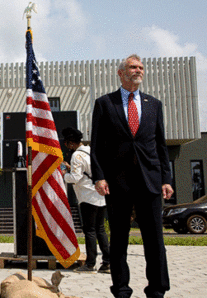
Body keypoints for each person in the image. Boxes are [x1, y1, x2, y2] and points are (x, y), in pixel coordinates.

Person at [90, 54, 174, 298]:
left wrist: (166, 179)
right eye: (132, 67)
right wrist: (99, 176)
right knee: (118, 239)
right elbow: (97, 146)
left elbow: (161, 145)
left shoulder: (154, 104)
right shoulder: (105, 104)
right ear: (121, 73)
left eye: (140, 67)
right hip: (118, 182)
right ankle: (121, 289)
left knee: (155, 240)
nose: (138, 70)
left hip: (150, 180)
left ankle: (157, 289)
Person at [60, 127, 110, 274]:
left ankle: (90, 264)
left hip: (87, 197)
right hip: (100, 196)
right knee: (100, 229)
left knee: (89, 230)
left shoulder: (76, 156)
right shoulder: (92, 151)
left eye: (67, 143)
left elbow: (75, 177)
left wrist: (64, 174)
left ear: (70, 143)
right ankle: (107, 262)